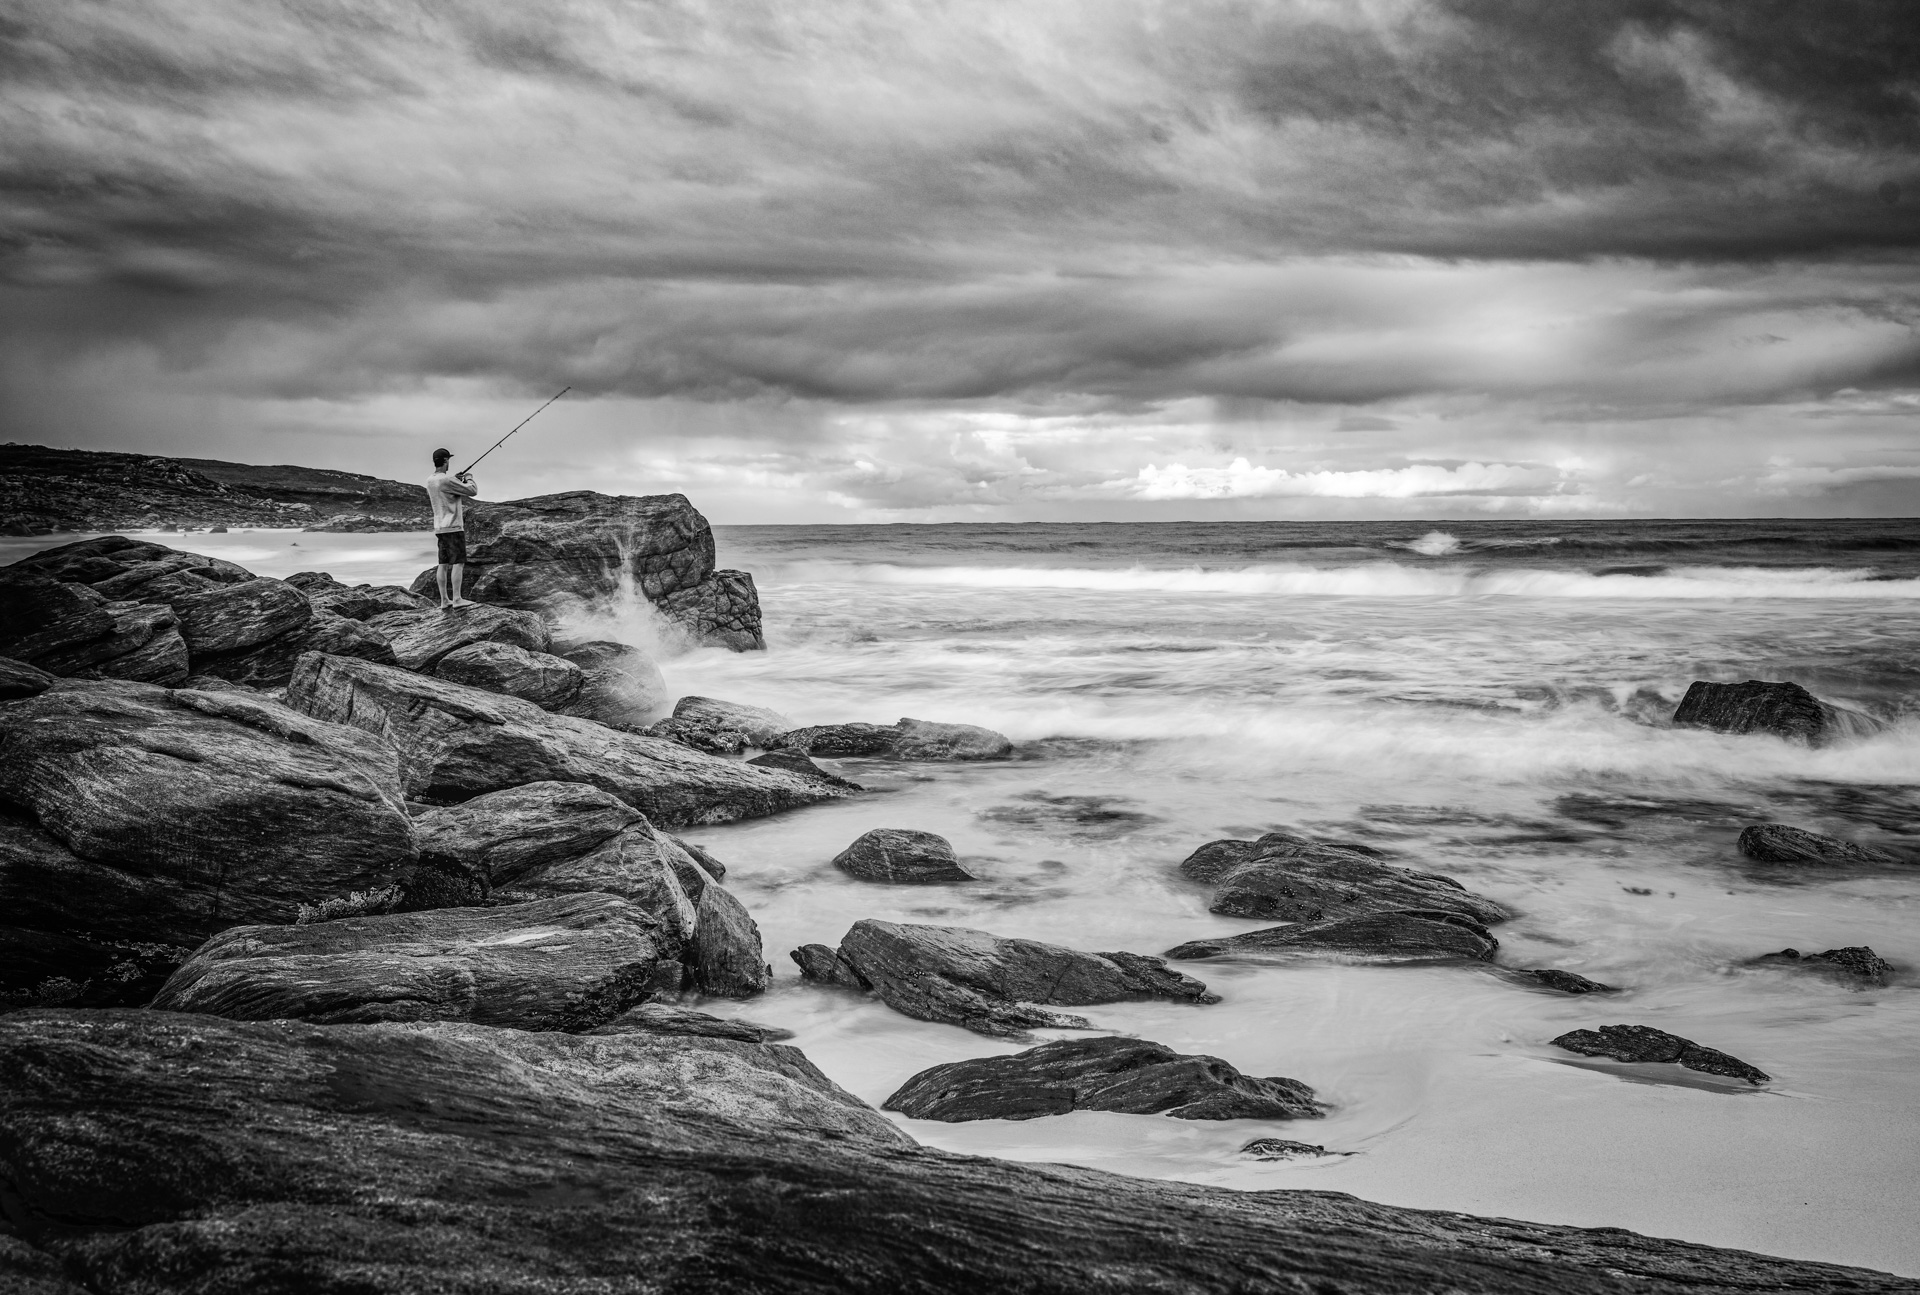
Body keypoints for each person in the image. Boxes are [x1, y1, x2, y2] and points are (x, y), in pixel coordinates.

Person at [425, 448, 479, 609]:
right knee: (458, 563)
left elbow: (445, 488)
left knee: (443, 564)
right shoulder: (447, 480)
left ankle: (444, 600)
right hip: (454, 527)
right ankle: (457, 599)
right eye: (448, 460)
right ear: (446, 461)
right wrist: (469, 478)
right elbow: (472, 491)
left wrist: (455, 480)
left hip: (440, 528)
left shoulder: (430, 480)